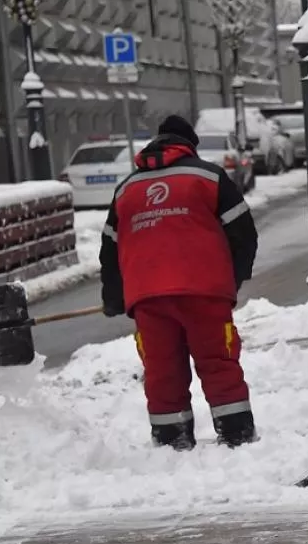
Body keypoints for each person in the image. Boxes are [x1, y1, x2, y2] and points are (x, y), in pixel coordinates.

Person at [99, 115, 258, 451]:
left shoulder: (126, 188)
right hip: (204, 292)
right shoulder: (208, 176)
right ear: (189, 146)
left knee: (161, 370)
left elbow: (110, 249)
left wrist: (115, 297)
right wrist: (233, 279)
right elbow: (243, 233)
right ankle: (237, 437)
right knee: (218, 362)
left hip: (147, 297)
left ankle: (171, 442)